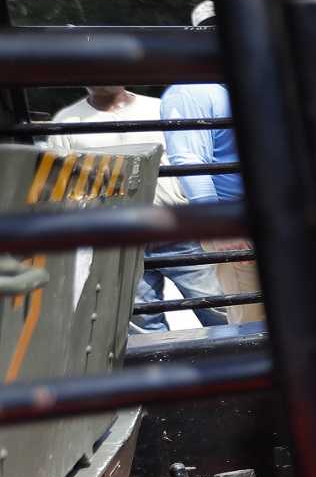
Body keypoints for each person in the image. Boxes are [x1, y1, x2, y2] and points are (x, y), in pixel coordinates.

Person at [46, 78, 229, 332]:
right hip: (121, 241)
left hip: (179, 229)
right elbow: (65, 186)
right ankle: (161, 370)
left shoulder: (160, 108)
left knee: (221, 307)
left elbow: (195, 156)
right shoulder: (66, 122)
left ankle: (236, 359)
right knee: (144, 322)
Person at [156, 0, 245, 329]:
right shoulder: (191, 91)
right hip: (236, 226)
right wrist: (219, 228)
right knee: (252, 321)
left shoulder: (241, 84)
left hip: (270, 222)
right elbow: (189, 161)